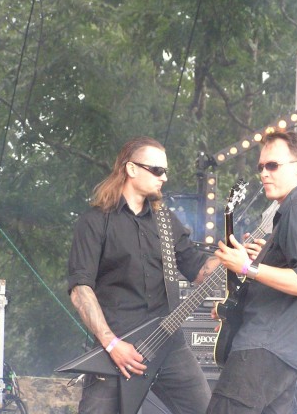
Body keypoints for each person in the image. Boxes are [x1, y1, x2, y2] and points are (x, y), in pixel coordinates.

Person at [67, 136, 219, 414]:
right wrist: (112, 344)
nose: (164, 178)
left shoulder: (166, 221)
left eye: (165, 171)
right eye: (157, 170)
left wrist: (233, 257)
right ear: (131, 169)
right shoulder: (95, 221)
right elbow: (80, 290)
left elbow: (199, 271)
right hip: (118, 345)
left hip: (168, 341)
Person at [206, 130, 297, 413]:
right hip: (282, 353)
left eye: (273, 165)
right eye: (261, 167)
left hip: (263, 349)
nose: (264, 173)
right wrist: (263, 259)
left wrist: (246, 266)